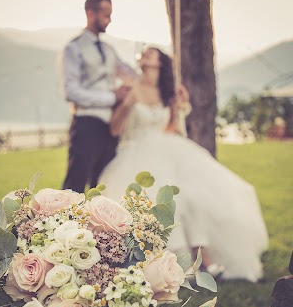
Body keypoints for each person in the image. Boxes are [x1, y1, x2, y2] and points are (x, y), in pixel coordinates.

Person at [99, 47, 269, 282]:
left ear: (161, 63)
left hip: (166, 151)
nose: (145, 55)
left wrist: (180, 106)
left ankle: (205, 261)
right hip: (135, 153)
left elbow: (171, 129)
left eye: (151, 53)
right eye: (143, 53)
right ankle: (178, 266)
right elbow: (114, 129)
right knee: (164, 203)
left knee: (195, 196)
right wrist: (128, 103)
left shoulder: (167, 92)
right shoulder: (129, 88)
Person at [61, 0, 136, 193]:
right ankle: (65, 224)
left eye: (110, 15)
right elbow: (71, 92)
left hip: (111, 128)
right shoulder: (73, 48)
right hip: (86, 124)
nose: (109, 20)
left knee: (104, 187)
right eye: (105, 14)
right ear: (90, 12)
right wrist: (112, 97)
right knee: (75, 186)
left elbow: (131, 75)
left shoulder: (109, 50)